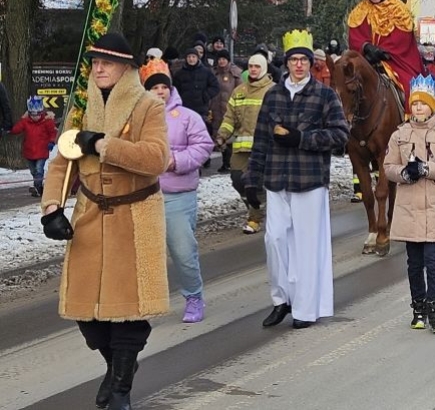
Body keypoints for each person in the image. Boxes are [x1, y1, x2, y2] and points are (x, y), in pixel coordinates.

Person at [40, 33, 170, 410]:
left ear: (126, 68)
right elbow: (62, 161)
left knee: (129, 314)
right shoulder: (80, 108)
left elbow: (156, 159)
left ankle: (120, 391)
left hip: (135, 215)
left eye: (106, 62)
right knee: (88, 316)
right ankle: (117, 369)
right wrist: (51, 208)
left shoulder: (148, 106)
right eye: (94, 62)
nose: (97, 68)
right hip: (90, 213)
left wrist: (102, 145)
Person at [245, 29, 349, 329]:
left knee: (305, 246)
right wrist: (251, 179)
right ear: (287, 63)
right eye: (294, 60)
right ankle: (282, 299)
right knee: (274, 239)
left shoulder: (324, 95)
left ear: (310, 63)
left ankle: (304, 308)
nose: (299, 65)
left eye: (304, 60)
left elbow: (340, 135)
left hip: (309, 180)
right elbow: (261, 139)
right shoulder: (273, 95)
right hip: (277, 179)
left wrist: (301, 138)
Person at [384, 74, 435, 334]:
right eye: (414, 104)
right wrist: (404, 174)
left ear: (433, 105)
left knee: (434, 260)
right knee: (414, 262)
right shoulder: (400, 134)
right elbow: (388, 167)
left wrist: (428, 168)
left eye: (423, 103)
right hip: (409, 208)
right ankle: (418, 308)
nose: (418, 108)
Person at [140, 59, 213, 323]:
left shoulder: (187, 117)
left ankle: (194, 296)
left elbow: (204, 146)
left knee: (182, 250)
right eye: (154, 87)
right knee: (145, 254)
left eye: (163, 87)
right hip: (143, 196)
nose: (160, 92)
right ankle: (148, 302)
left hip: (178, 195)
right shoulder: (136, 119)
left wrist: (174, 161)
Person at [216, 54, 275, 234]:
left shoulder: (273, 91)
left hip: (264, 149)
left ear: (264, 68)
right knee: (237, 180)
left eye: (257, 66)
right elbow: (229, 118)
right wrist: (222, 136)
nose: (253, 69)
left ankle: (255, 218)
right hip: (241, 148)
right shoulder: (239, 91)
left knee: (255, 185)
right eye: (251, 66)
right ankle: (260, 208)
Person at [347, 0, 425, 100]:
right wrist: (366, 47)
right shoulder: (359, 12)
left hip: (396, 62)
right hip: (367, 62)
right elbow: (355, 38)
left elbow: (404, 39)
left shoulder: (398, 8)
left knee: (412, 90)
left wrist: (384, 52)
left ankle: (416, 119)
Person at [9, 95, 57, 197]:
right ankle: (39, 186)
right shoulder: (26, 122)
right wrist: (9, 129)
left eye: (38, 115)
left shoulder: (47, 122)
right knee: (33, 170)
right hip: (29, 151)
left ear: (41, 113)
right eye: (33, 115)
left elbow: (52, 133)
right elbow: (17, 129)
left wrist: (51, 142)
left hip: (42, 151)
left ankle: (38, 187)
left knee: (39, 169)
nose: (35, 117)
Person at [209, 49, 242, 173]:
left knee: (231, 136)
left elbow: (240, 91)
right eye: (220, 59)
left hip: (231, 109)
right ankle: (225, 162)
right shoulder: (214, 74)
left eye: (224, 59)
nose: (221, 61)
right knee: (219, 135)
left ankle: (232, 162)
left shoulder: (235, 74)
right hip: (216, 109)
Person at [173, 47, 220, 132]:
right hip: (185, 108)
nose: (191, 59)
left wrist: (205, 96)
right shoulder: (179, 74)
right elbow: (175, 90)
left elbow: (215, 86)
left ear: (198, 58)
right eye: (189, 57)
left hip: (201, 109)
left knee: (200, 131)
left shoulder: (206, 71)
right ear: (186, 58)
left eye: (193, 57)